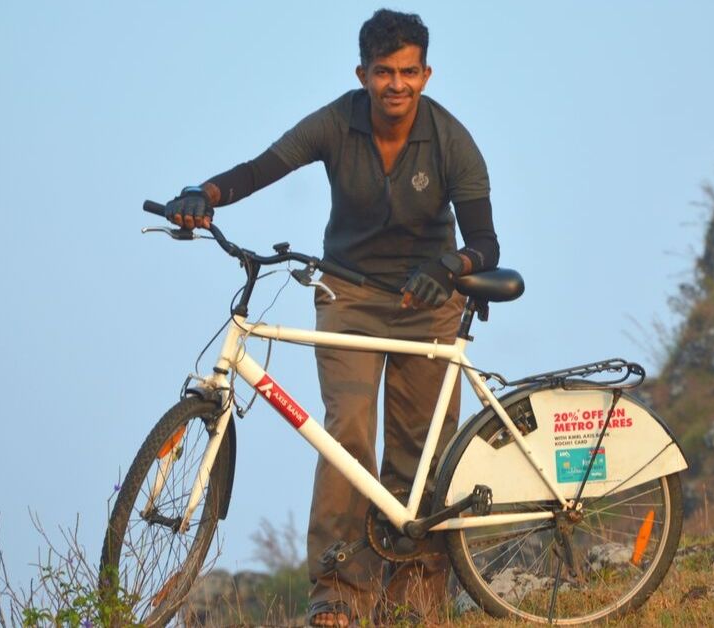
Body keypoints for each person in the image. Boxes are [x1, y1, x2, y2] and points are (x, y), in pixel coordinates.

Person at [161, 9, 499, 627]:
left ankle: (415, 600)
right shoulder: (336, 123)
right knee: (346, 435)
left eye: (408, 72)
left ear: (426, 73)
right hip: (349, 295)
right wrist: (202, 195)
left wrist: (451, 265)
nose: (396, 85)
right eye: (383, 72)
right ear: (362, 73)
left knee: (418, 450)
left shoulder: (452, 139)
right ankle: (339, 597)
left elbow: (486, 242)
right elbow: (263, 168)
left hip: (429, 304)